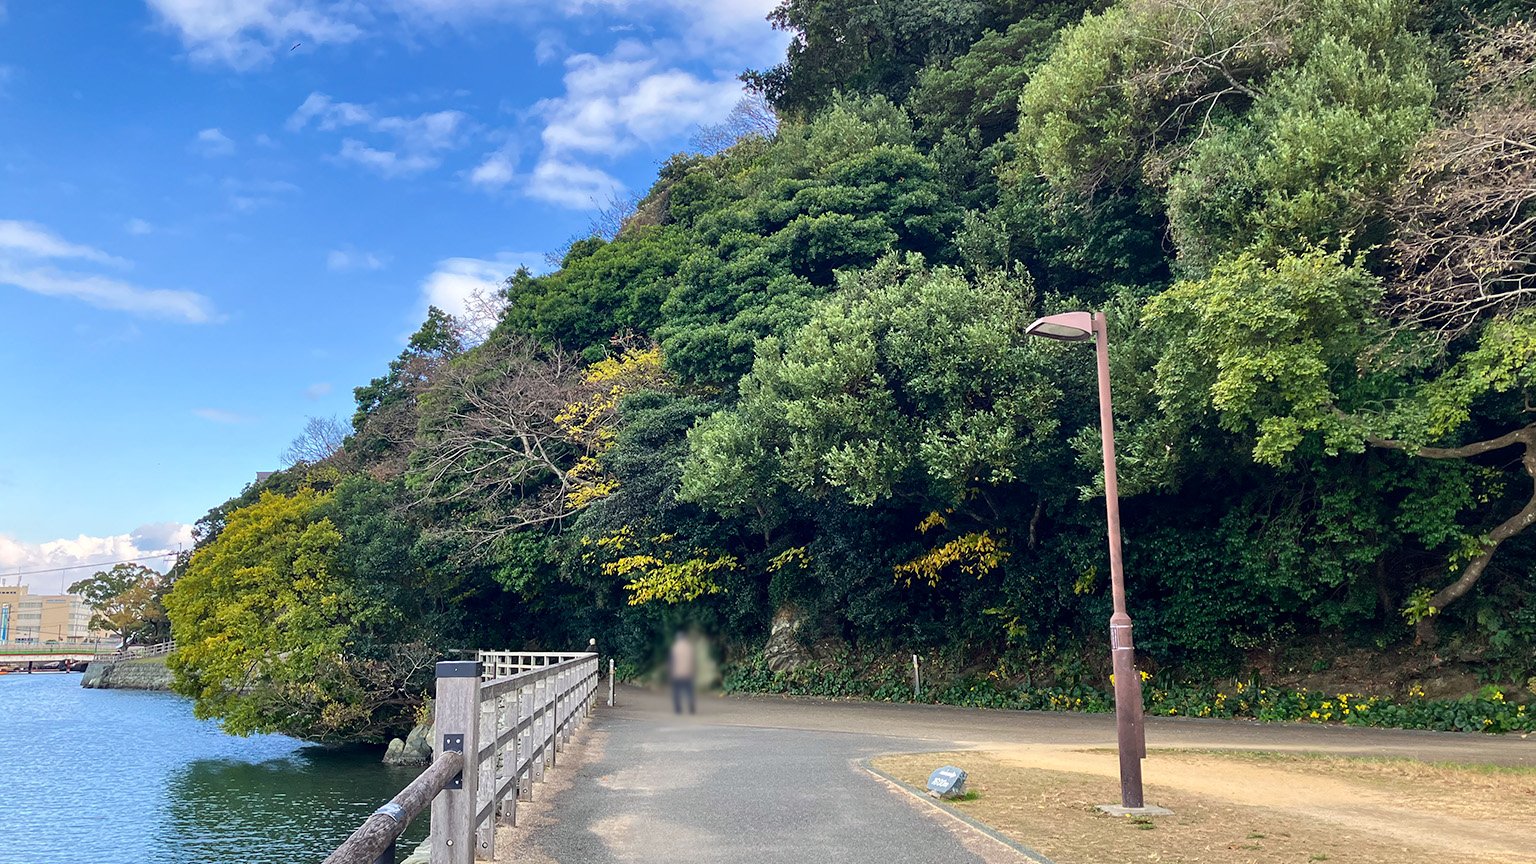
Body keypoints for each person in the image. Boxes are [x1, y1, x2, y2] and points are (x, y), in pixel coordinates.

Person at [668, 631, 696, 715]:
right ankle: (691, 708)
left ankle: (678, 709)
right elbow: (693, 661)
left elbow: (671, 662)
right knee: (689, 691)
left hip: (677, 674)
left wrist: (671, 672)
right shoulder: (689, 648)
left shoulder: (675, 648)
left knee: (676, 692)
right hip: (688, 673)